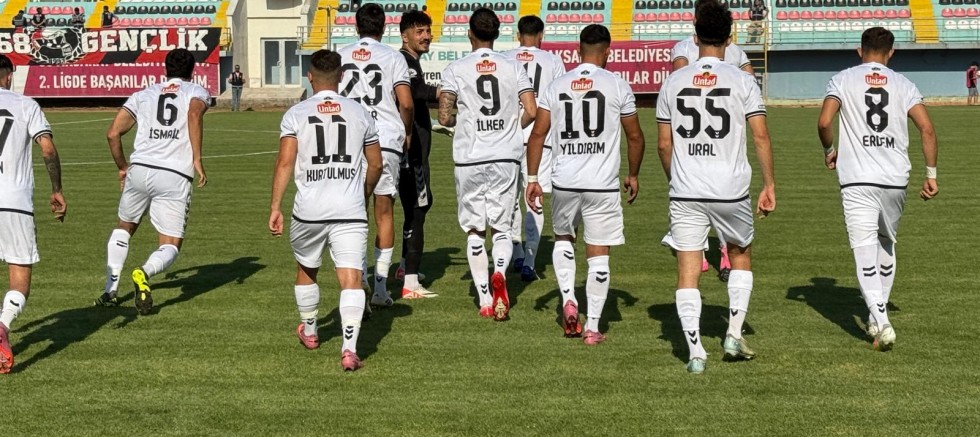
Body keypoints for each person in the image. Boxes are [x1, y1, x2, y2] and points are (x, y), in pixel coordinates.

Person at [656, 0, 775, 374]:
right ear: (729, 38)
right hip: (730, 189)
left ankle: (695, 353)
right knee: (740, 254)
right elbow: (760, 136)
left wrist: (675, 179)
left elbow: (664, 144)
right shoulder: (743, 80)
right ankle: (733, 335)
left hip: (686, 189)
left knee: (688, 267)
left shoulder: (673, 81)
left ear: (695, 37)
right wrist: (769, 184)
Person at [817, 26, 938, 352]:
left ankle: (882, 322)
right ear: (891, 53)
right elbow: (927, 129)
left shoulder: (842, 79)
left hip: (857, 178)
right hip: (895, 178)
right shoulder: (904, 84)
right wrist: (931, 174)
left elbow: (825, 122)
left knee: (863, 247)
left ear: (860, 51)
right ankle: (876, 315)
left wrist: (830, 151)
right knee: (886, 242)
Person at [526, 24, 644, 344]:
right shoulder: (617, 84)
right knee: (598, 251)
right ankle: (592, 327)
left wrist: (533, 178)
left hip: (564, 180)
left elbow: (537, 134)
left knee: (564, 237)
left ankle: (568, 298)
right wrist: (633, 174)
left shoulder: (557, 84)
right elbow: (635, 136)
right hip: (601, 184)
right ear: (608, 52)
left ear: (578, 51)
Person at [269, 49, 383, 372]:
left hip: (309, 210)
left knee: (307, 269)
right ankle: (349, 349)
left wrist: (275, 206)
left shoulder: (296, 113)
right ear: (342, 77)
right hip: (350, 209)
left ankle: (310, 331)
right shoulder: (360, 112)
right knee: (352, 277)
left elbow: (285, 162)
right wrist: (363, 192)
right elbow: (376, 164)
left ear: (309, 77)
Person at [94, 49, 210, 315]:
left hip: (139, 168)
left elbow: (112, 134)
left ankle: (110, 290)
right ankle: (143, 272)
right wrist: (197, 158)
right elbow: (194, 115)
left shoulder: (143, 93)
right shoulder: (196, 91)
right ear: (192, 70)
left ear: (165, 69)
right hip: (173, 173)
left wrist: (123, 168)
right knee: (170, 244)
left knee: (124, 227)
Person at [439, 7, 537, 320]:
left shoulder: (456, 68)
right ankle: (500, 273)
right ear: (497, 34)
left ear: (470, 33)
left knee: (474, 229)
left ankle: (484, 298)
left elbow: (444, 116)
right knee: (502, 227)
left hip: (469, 157)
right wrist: (512, 128)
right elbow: (532, 110)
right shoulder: (513, 66)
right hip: (505, 156)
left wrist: (461, 123)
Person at [336, 3, 418, 305]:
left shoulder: (341, 54)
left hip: (350, 140)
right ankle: (381, 289)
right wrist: (406, 132)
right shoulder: (393, 57)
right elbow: (406, 103)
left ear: (356, 27)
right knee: (384, 212)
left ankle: (359, 280)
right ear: (384, 27)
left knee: (353, 214)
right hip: (385, 139)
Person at [666, 10, 755, 282]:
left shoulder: (682, 50)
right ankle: (724, 252)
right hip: (725, 156)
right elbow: (750, 78)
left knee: (688, 255)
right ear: (728, 36)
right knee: (731, 224)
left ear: (696, 27)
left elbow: (680, 77)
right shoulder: (736, 53)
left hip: (691, 156)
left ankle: (702, 252)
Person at [0, 54, 67, 374]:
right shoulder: (26, 105)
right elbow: (47, 149)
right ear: (8, 75)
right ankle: (3, 325)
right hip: (14, 201)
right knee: (20, 278)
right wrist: (56, 189)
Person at [502, 15, 566, 282]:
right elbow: (560, 103)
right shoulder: (553, 61)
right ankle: (529, 261)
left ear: (518, 35)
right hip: (541, 139)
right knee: (535, 197)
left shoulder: (505, 58)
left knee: (511, 197)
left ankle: (516, 252)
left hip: (509, 137)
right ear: (541, 36)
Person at [396, 10, 440, 298]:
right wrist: (450, 91)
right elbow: (417, 92)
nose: (426, 36)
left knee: (416, 205)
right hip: (411, 152)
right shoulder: (406, 62)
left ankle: (403, 266)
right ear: (405, 36)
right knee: (417, 208)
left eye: (428, 31)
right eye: (419, 32)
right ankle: (410, 282)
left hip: (409, 149)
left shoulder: (409, 61)